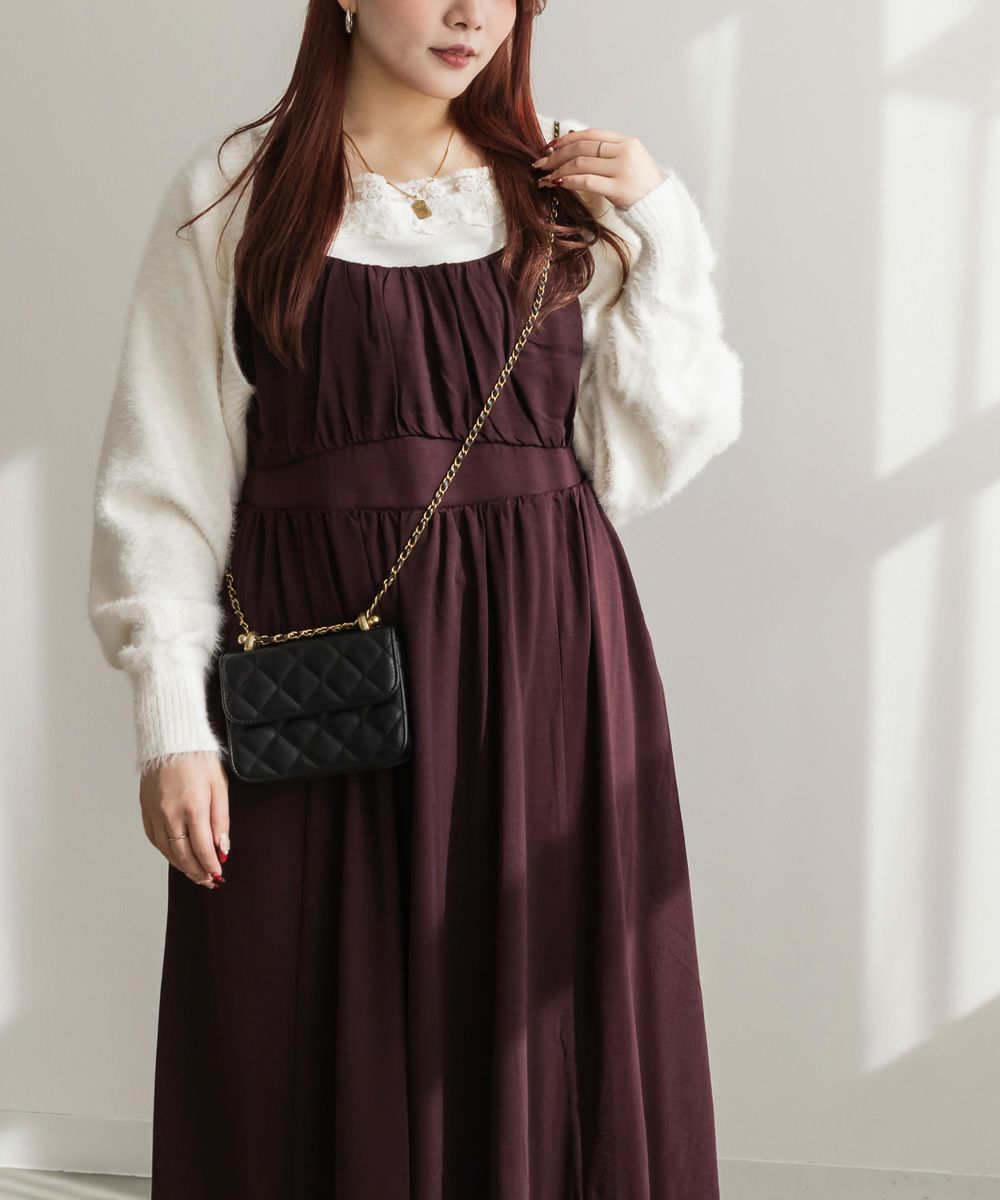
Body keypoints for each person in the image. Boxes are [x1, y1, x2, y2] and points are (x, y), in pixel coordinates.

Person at [87, 1, 743, 1195]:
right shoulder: (234, 193)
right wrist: (172, 727)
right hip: (310, 684)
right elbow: (161, 483)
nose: (469, 14)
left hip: (542, 666)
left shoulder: (567, 187)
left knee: (541, 1023)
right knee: (289, 1025)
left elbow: (649, 457)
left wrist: (661, 224)